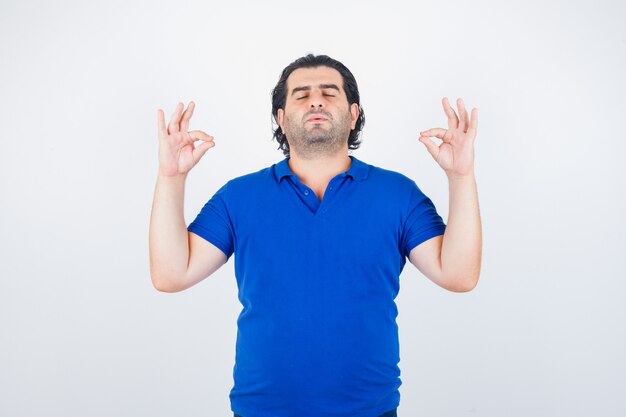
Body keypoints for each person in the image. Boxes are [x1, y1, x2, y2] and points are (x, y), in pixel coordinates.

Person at [149, 54, 482, 417]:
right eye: (301, 94)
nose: (316, 101)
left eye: (329, 92)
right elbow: (170, 274)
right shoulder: (239, 197)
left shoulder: (397, 194)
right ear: (281, 118)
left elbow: (459, 275)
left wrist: (461, 176)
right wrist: (171, 177)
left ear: (354, 114)